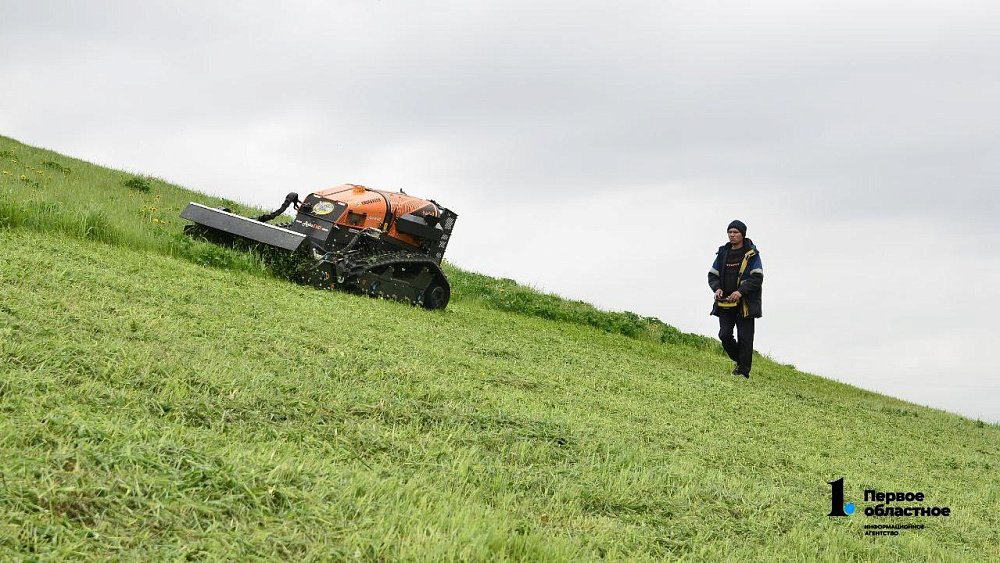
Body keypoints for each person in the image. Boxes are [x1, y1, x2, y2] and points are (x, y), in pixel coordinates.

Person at [707, 220, 763, 378]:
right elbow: (712, 275)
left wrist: (740, 292)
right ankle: (740, 361)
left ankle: (743, 372)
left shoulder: (752, 255)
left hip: (745, 305)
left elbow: (757, 278)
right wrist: (717, 288)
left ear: (742, 234)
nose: (732, 235)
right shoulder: (723, 253)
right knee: (724, 335)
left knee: (745, 339)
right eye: (730, 232)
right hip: (725, 303)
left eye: (735, 232)